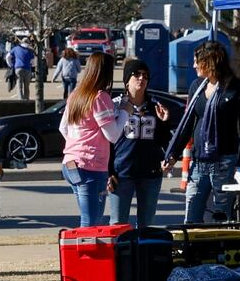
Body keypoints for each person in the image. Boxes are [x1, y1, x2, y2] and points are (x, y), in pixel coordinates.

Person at [166, 41, 240, 225]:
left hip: (225, 162)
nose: (194, 65)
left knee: (221, 217)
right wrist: (173, 154)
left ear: (210, 62)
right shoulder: (196, 86)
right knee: (191, 216)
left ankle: (219, 252)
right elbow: (187, 123)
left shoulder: (237, 88)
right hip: (198, 163)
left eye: (197, 61)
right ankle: (194, 253)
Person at [59, 49, 119, 228]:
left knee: (87, 218)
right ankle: (85, 255)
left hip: (70, 163)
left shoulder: (76, 95)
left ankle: (84, 254)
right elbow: (113, 135)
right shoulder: (100, 97)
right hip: (91, 166)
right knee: (91, 222)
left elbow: (63, 127)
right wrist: (125, 112)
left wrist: (78, 143)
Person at [106, 57, 167, 229]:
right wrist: (108, 171)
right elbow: (107, 141)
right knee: (118, 225)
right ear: (127, 81)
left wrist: (163, 122)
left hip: (150, 174)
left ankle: (144, 256)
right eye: (137, 75)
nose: (141, 79)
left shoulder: (155, 106)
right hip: (121, 174)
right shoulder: (115, 106)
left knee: (146, 226)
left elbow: (163, 141)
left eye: (145, 76)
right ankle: (120, 256)